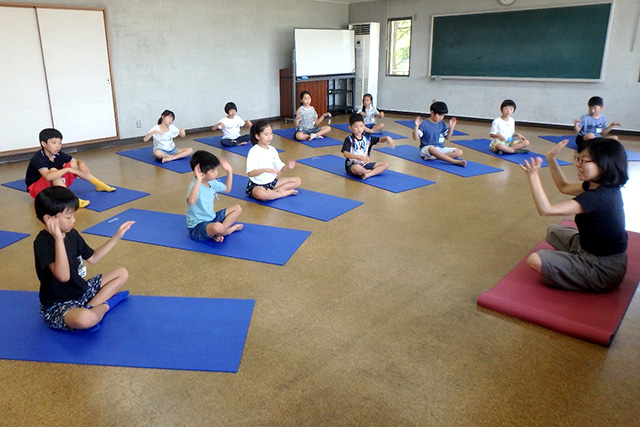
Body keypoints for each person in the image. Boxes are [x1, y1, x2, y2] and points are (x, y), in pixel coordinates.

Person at [520, 138, 628, 292]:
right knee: (553, 231)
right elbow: (564, 187)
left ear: (604, 164)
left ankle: (579, 266)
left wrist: (533, 176)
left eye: (584, 160)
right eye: (578, 159)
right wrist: (550, 158)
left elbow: (546, 210)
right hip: (588, 248)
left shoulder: (598, 197)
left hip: (603, 269)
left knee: (535, 260)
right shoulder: (599, 185)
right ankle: (575, 260)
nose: (578, 164)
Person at [34, 186, 133, 331]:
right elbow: (63, 276)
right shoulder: (42, 242)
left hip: (81, 292)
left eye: (74, 215)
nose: (73, 220)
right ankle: (106, 305)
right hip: (58, 305)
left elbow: (93, 258)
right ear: (49, 219)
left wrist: (117, 236)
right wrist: (59, 240)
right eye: (68, 217)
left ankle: (90, 307)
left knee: (122, 273)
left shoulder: (72, 234)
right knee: (86, 319)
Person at [25, 128, 115, 209]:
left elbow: (75, 161)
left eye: (60, 143)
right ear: (44, 144)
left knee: (74, 164)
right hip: (37, 191)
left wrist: (81, 163)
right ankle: (72, 200)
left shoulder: (58, 154)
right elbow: (48, 176)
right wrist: (67, 169)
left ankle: (99, 184)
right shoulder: (38, 158)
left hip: (53, 185)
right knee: (53, 171)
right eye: (54, 143)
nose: (58, 146)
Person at [187, 150, 243, 243]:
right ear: (202, 174)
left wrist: (229, 171)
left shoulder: (211, 182)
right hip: (197, 227)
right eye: (213, 171)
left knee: (237, 208)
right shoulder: (194, 186)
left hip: (211, 219)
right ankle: (227, 231)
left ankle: (217, 233)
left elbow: (227, 189)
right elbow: (191, 202)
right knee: (217, 226)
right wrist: (199, 180)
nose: (216, 172)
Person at [246, 120, 301, 200]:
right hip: (258, 185)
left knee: (297, 181)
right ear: (257, 136)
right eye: (266, 134)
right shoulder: (253, 151)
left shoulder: (272, 150)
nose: (269, 137)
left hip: (272, 183)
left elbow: (280, 167)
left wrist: (288, 167)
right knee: (262, 195)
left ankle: (273, 193)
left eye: (271, 133)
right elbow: (250, 173)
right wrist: (265, 170)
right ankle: (282, 193)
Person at [412, 101, 466, 167]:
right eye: (439, 115)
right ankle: (454, 161)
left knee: (459, 152)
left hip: (440, 148)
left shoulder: (442, 123)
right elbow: (416, 138)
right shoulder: (424, 124)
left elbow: (448, 138)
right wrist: (416, 126)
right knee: (432, 148)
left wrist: (451, 127)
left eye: (443, 115)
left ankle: (435, 157)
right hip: (426, 149)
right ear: (432, 113)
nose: (441, 117)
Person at [342, 114, 395, 180]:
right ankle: (367, 172)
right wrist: (358, 157)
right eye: (356, 127)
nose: (359, 129)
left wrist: (387, 138)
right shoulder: (349, 139)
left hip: (365, 164)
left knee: (385, 164)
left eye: (361, 126)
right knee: (357, 168)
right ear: (350, 127)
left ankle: (367, 174)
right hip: (352, 165)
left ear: (364, 126)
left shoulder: (367, 138)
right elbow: (345, 154)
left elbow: (380, 140)